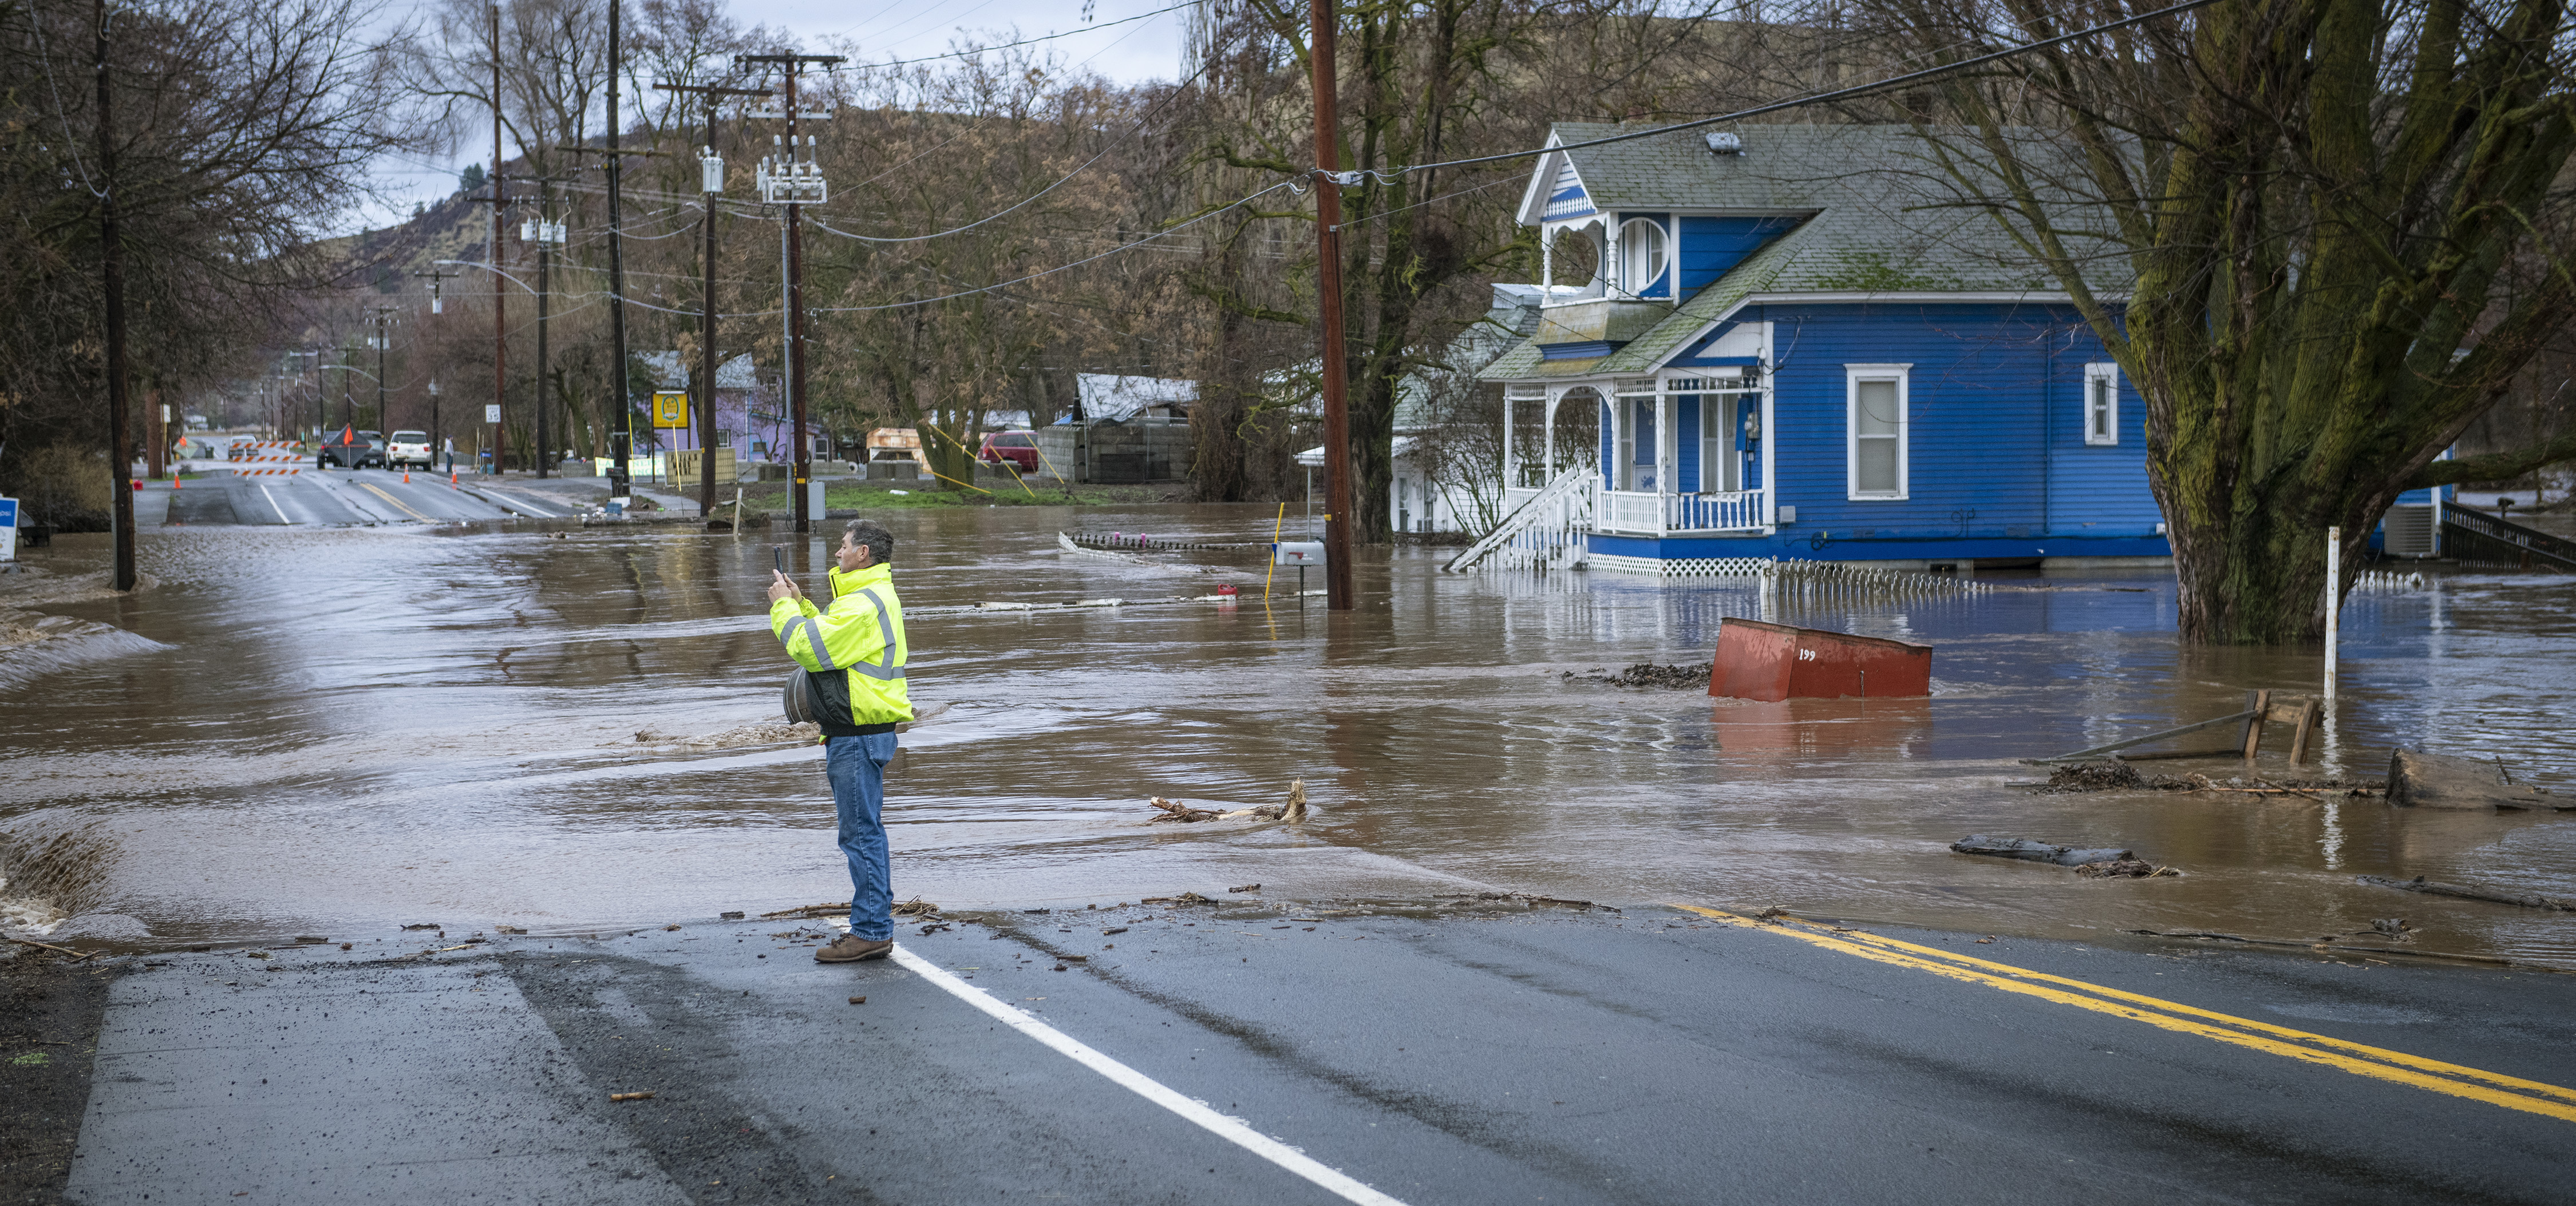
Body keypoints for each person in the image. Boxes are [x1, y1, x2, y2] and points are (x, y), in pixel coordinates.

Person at [768, 519, 912, 962]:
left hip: (856, 736)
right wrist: (803, 603)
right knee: (865, 831)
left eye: (843, 546)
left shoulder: (862, 603)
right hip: (864, 733)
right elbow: (834, 637)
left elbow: (810, 648)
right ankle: (874, 925)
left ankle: (870, 931)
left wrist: (782, 609)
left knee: (860, 834)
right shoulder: (864, 598)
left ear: (863, 553)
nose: (837, 552)